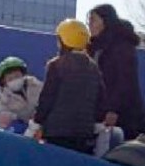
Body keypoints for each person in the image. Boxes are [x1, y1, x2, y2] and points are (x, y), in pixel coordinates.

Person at [33, 18, 106, 154]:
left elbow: (47, 97)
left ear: (63, 41)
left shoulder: (56, 65)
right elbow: (101, 101)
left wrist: (37, 121)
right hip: (84, 133)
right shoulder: (93, 68)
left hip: (56, 132)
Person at [87, 3, 145, 140]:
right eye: (88, 20)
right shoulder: (94, 47)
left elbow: (125, 81)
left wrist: (113, 109)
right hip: (99, 113)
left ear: (105, 21)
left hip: (125, 116)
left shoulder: (122, 46)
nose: (89, 24)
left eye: (93, 20)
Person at [0, 56, 43, 132]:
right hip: (24, 132)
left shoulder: (36, 86)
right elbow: (1, 120)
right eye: (10, 79)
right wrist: (21, 122)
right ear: (4, 82)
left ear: (23, 75)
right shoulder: (3, 99)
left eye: (17, 76)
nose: (15, 80)